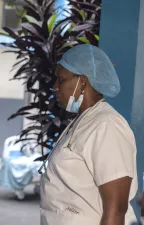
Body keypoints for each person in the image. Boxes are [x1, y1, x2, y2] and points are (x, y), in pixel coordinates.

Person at [40, 44, 137, 225]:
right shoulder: (83, 121)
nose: (55, 87)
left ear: (82, 81)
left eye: (60, 80)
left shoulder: (106, 125)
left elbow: (116, 209)